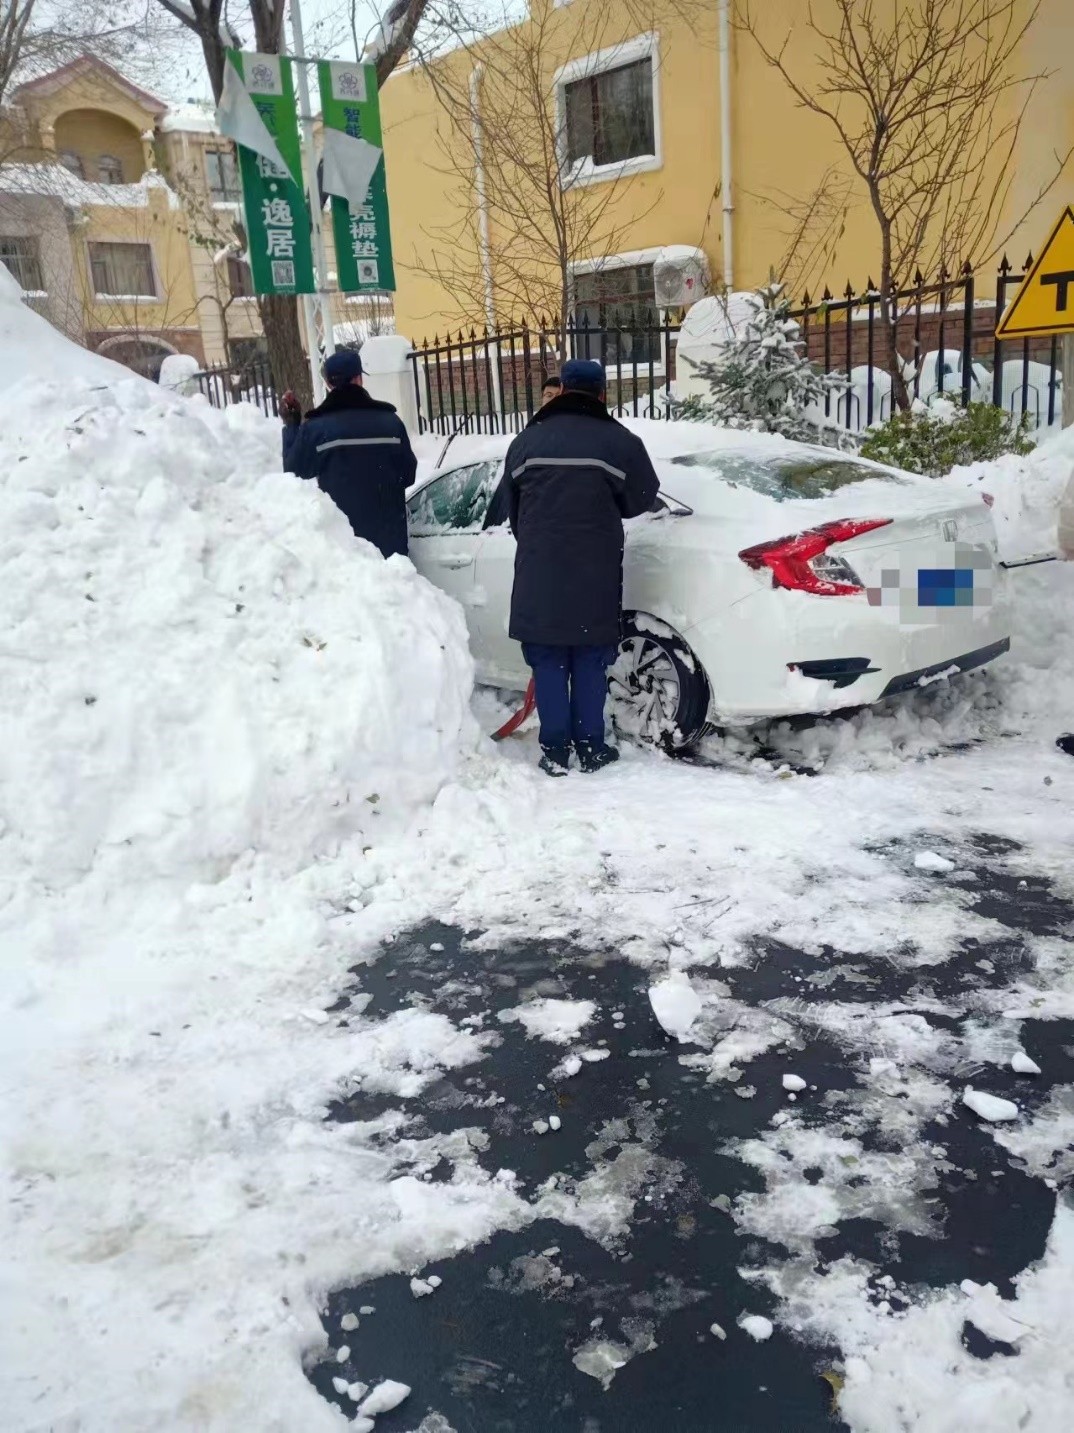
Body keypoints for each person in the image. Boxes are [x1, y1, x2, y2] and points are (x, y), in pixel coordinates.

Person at [502, 357, 660, 776]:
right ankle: (591, 746)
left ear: (564, 389)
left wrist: (542, 542)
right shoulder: (618, 441)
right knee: (591, 659)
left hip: (540, 572)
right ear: (602, 393)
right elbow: (642, 497)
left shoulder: (526, 442)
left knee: (549, 662)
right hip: (596, 571)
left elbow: (513, 511)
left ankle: (554, 750)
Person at [279, 349, 416, 558]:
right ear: (359, 379)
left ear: (328, 384)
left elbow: (293, 472)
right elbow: (408, 475)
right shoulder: (391, 423)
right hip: (391, 551)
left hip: (345, 554)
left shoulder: (315, 429)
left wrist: (291, 425)